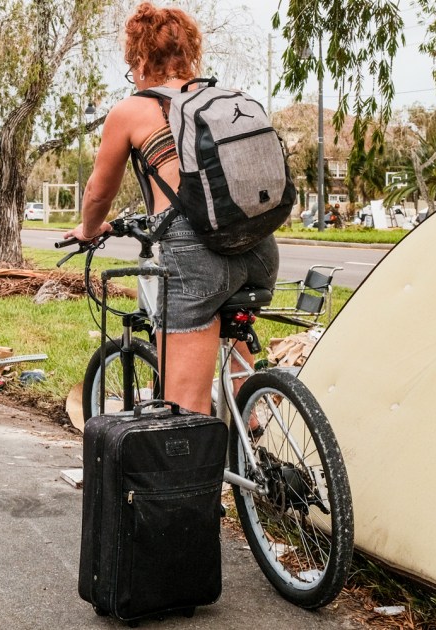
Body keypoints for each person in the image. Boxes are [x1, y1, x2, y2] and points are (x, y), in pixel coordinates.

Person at [62, 2, 279, 416]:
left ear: (140, 58)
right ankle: (252, 441)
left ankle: (199, 472)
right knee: (234, 366)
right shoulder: (224, 100)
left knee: (185, 407)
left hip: (197, 256)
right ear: (189, 53)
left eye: (132, 64)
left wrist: (89, 230)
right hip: (259, 246)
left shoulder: (132, 110)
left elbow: (98, 194)